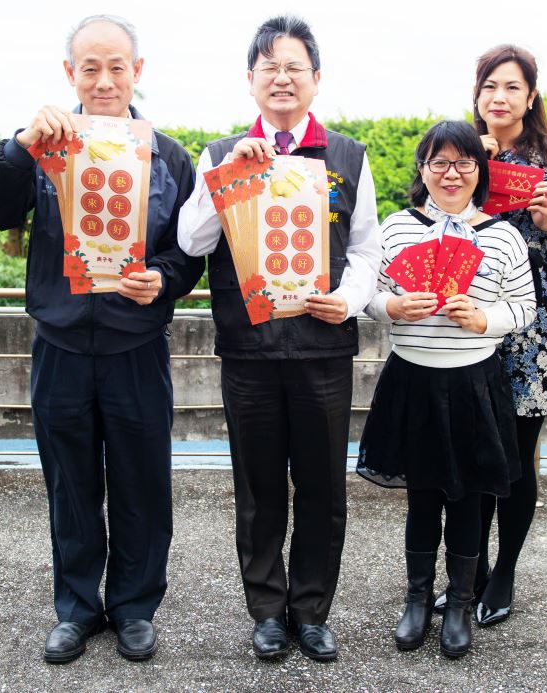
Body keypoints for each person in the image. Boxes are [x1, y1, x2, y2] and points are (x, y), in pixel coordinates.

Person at [0, 15, 204, 663]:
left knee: (142, 481)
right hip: (61, 346)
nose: (104, 80)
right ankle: (76, 607)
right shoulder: (44, 145)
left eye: (116, 66)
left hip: (137, 347)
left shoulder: (169, 155)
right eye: (89, 68)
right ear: (69, 73)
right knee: (70, 483)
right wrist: (20, 143)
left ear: (138, 71)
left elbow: (189, 253)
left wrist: (162, 277)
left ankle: (133, 606)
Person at [177, 15, 380, 662]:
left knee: (322, 486)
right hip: (249, 348)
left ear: (316, 79)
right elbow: (190, 241)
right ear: (251, 81)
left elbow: (368, 248)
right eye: (270, 67)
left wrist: (347, 300)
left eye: (295, 66)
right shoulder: (219, 153)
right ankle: (267, 608)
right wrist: (228, 176)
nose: (283, 78)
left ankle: (312, 609)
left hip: (323, 347)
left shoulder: (347, 154)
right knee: (259, 485)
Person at [358, 120, 537, 657]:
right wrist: (392, 306)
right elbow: (371, 294)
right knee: (421, 497)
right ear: (422, 171)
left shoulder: (503, 234)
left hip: (474, 383)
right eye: (438, 163)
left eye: (462, 163)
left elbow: (525, 307)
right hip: (412, 378)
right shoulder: (396, 229)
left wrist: (485, 319)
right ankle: (417, 600)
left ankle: (458, 604)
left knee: (466, 500)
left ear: (479, 172)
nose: (451, 173)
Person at [463, 45, 547, 627]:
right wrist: (470, 167)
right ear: (477, 93)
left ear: (530, 96)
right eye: (489, 86)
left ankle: (503, 570)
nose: (499, 97)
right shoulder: (458, 150)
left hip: (532, 319)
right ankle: (469, 571)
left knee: (516, 455)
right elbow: (421, 217)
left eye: (512, 87)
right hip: (468, 314)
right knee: (473, 447)